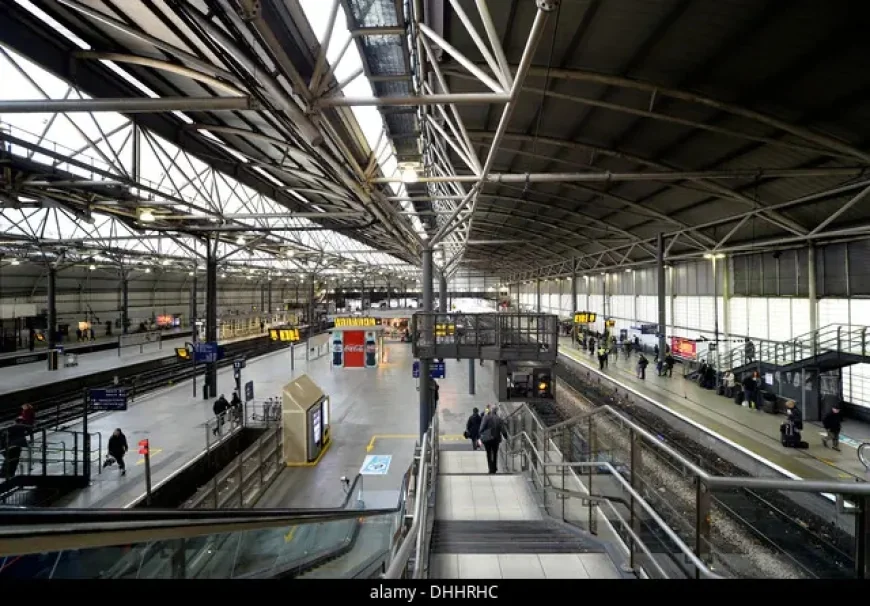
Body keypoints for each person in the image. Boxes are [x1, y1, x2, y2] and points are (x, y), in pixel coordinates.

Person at [478, 404, 506, 474]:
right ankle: (494, 467)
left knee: (489, 453)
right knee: (495, 453)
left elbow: (481, 428)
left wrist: (481, 433)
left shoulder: (486, 417)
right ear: (496, 411)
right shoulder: (499, 419)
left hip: (487, 439)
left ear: (491, 410)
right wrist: (506, 436)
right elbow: (503, 430)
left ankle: (491, 469)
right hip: (496, 439)